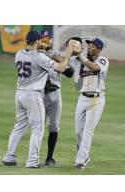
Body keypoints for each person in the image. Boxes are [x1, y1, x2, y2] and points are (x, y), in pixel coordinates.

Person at [2, 30, 74, 168]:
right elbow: (61, 68)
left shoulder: (18, 54)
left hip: (19, 94)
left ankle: (9, 156)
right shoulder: (39, 57)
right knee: (38, 129)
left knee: (19, 126)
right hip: (33, 95)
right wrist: (68, 53)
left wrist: (46, 52)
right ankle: (32, 161)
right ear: (36, 41)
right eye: (40, 40)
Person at [68, 37, 109, 170]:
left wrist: (80, 56)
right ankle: (85, 155)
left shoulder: (102, 60)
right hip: (82, 99)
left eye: (92, 46)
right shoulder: (80, 60)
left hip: (97, 100)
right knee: (78, 132)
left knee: (87, 131)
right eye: (88, 45)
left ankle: (80, 161)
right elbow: (61, 61)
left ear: (99, 48)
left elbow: (95, 68)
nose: (89, 47)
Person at [39, 31, 77, 166]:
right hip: (40, 94)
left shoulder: (56, 56)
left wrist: (60, 57)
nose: (46, 41)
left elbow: (70, 73)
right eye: (43, 39)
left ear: (51, 40)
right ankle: (33, 158)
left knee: (54, 127)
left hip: (56, 94)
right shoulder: (36, 55)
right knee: (39, 127)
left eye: (47, 39)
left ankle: (49, 158)